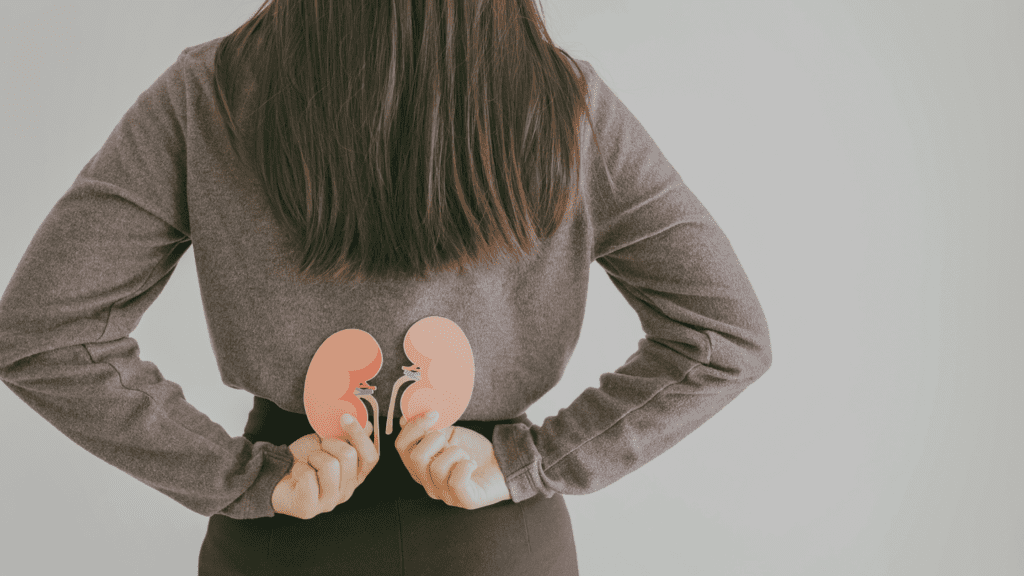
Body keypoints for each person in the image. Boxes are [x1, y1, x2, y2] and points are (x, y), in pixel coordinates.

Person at [0, 1, 772, 575]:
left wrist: (244, 478)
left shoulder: (208, 95)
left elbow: (45, 333)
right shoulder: (567, 105)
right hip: (499, 543)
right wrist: (527, 463)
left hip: (285, 535)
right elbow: (723, 337)